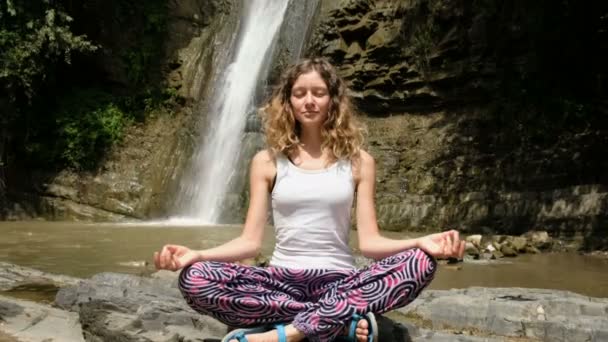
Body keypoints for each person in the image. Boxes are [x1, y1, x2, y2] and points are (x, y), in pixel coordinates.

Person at [154, 58, 466, 342]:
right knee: (195, 278)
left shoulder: (360, 162)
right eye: (300, 93)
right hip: (279, 283)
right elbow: (250, 243)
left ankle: (285, 333)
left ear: (333, 100)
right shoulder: (267, 162)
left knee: (421, 263)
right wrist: (197, 254)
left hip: (339, 281)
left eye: (318, 92)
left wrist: (422, 242)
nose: (309, 101)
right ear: (288, 101)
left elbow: (369, 243)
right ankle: (339, 320)